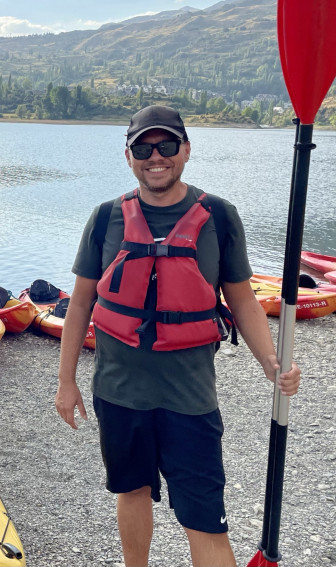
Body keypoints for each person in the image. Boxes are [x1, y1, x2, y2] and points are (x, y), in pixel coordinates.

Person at [55, 105, 301, 567]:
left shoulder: (219, 217)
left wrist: (272, 361)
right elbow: (81, 303)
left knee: (205, 520)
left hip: (190, 400)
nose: (156, 157)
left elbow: (243, 300)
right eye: (143, 148)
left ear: (185, 150)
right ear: (128, 155)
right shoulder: (105, 217)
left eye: (166, 146)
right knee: (132, 490)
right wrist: (66, 382)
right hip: (118, 392)